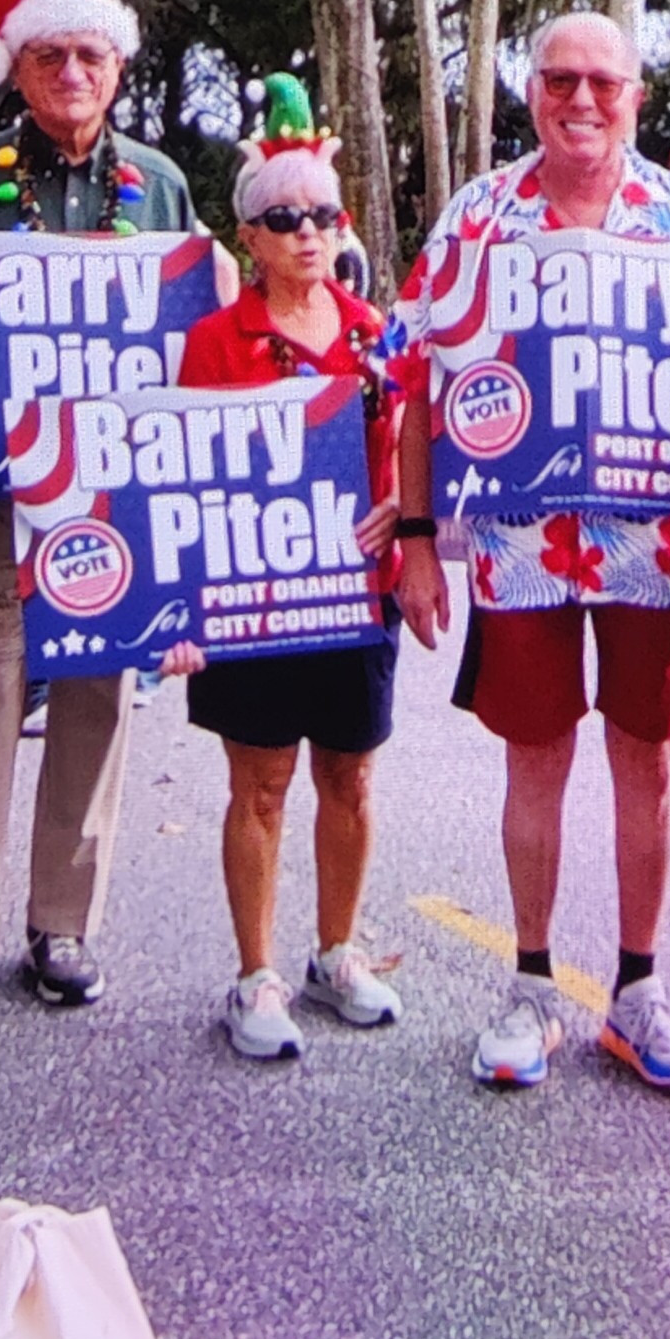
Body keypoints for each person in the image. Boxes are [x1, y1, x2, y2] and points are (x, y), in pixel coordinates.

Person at [389, 10, 670, 1092]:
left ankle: (639, 991)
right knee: (535, 754)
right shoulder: (480, 218)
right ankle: (532, 986)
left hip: (652, 538)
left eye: (606, 82)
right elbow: (417, 383)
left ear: (637, 97)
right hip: (518, 539)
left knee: (647, 755)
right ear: (531, 91)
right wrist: (417, 537)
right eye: (562, 79)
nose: (583, 100)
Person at [0, 0, 217, 1035]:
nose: (72, 71)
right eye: (50, 54)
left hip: (111, 499)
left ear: (118, 65)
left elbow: (190, 336)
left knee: (94, 702)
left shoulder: (160, 182)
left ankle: (61, 923)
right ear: (17, 69)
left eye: (90, 53)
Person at [156, 82, 406, 1060]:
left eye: (324, 215)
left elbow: (408, 442)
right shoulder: (213, 345)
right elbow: (179, 474)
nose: (309, 233)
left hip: (357, 590)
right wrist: (179, 606)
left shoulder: (372, 331)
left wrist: (403, 506)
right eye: (284, 218)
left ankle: (335, 950)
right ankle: (255, 969)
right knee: (260, 783)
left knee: (348, 777)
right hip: (253, 598)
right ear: (248, 236)